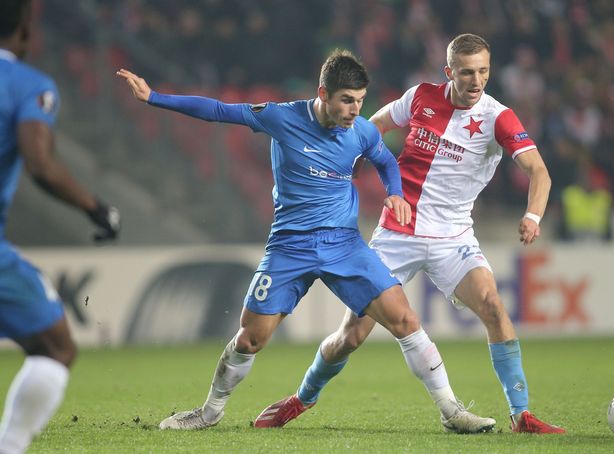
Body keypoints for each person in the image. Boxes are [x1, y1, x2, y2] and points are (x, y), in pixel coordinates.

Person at [116, 49, 496, 434]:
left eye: (361, 101)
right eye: (347, 100)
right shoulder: (283, 117)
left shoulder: (361, 130)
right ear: (323, 93)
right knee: (250, 339)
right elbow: (219, 110)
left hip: (344, 245)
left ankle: (451, 411)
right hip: (289, 246)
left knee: (405, 319)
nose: (354, 110)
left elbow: (384, 161)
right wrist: (154, 98)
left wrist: (394, 192)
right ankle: (209, 412)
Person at [255, 33, 566, 434]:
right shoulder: (420, 96)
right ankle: (302, 398)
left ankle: (521, 415)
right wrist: (342, 162)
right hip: (397, 233)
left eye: (484, 71)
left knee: (493, 306)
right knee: (351, 335)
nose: (476, 81)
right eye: (467, 72)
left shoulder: (498, 117)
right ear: (449, 71)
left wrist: (533, 215)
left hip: (453, 236)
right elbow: (375, 126)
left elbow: (538, 171)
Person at [0, 1, 121, 453]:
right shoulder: (27, 85)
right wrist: (96, 207)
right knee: (55, 347)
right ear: (26, 30)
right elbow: (40, 164)